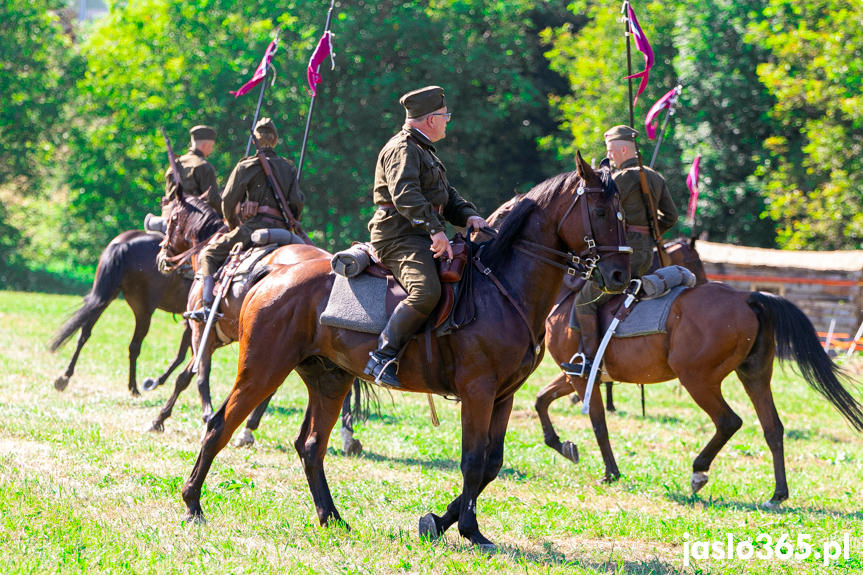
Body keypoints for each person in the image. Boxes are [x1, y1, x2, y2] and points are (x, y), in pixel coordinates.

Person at [364, 85, 488, 388]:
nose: (448, 121)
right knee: (426, 291)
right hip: (398, 237)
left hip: (417, 233)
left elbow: (445, 197)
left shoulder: (422, 150)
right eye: (445, 116)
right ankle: (382, 356)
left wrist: (468, 215)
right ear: (431, 119)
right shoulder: (402, 148)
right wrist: (435, 230)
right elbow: (405, 195)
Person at [570, 125, 678, 374]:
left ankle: (588, 362)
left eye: (611, 151)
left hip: (621, 252)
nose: (609, 156)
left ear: (622, 148)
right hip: (646, 252)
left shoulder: (618, 181)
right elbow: (670, 216)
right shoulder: (655, 176)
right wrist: (650, 232)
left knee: (585, 300)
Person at [186, 117, 303, 322]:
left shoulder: (247, 165)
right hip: (283, 230)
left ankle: (206, 306)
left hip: (254, 228)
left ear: (255, 139)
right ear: (275, 141)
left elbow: (228, 202)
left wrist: (233, 225)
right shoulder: (289, 168)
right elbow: (296, 203)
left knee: (209, 255)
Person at [165, 125, 222, 215]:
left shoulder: (175, 164)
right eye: (211, 146)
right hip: (195, 217)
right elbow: (213, 199)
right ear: (205, 145)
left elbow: (168, 195)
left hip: (171, 216)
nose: (211, 149)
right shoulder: (203, 166)